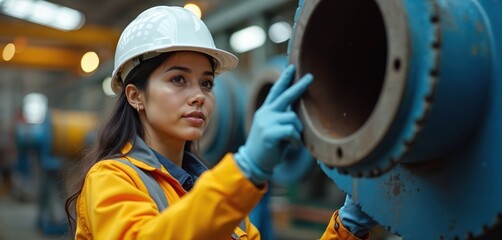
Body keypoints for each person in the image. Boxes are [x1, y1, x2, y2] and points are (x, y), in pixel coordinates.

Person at [64, 5, 377, 240]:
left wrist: (348, 225)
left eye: (207, 83)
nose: (199, 96)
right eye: (178, 79)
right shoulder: (111, 179)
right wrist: (246, 170)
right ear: (136, 96)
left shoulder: (210, 190)